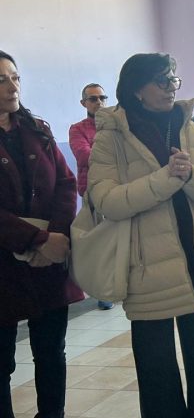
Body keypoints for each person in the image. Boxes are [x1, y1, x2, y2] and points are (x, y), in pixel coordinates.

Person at [87, 53, 194, 418]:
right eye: (162, 80)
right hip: (146, 270)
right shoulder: (111, 137)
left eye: (174, 79)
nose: (172, 87)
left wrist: (190, 177)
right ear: (136, 89)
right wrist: (166, 179)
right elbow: (105, 200)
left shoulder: (187, 126)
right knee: (157, 376)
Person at [0, 50, 84, 418]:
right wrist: (34, 238)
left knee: (51, 351)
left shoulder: (37, 128)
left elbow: (65, 183)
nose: (11, 86)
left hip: (48, 259)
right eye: (1, 80)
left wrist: (57, 236)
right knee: (2, 359)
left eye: (15, 77)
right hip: (4, 264)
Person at [68, 83, 114, 311]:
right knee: (99, 244)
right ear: (84, 103)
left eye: (102, 97)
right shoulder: (77, 129)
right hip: (93, 192)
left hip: (118, 190)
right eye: (93, 98)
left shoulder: (115, 126)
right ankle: (102, 291)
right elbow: (84, 155)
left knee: (122, 238)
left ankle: (121, 283)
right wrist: (109, 156)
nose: (99, 102)